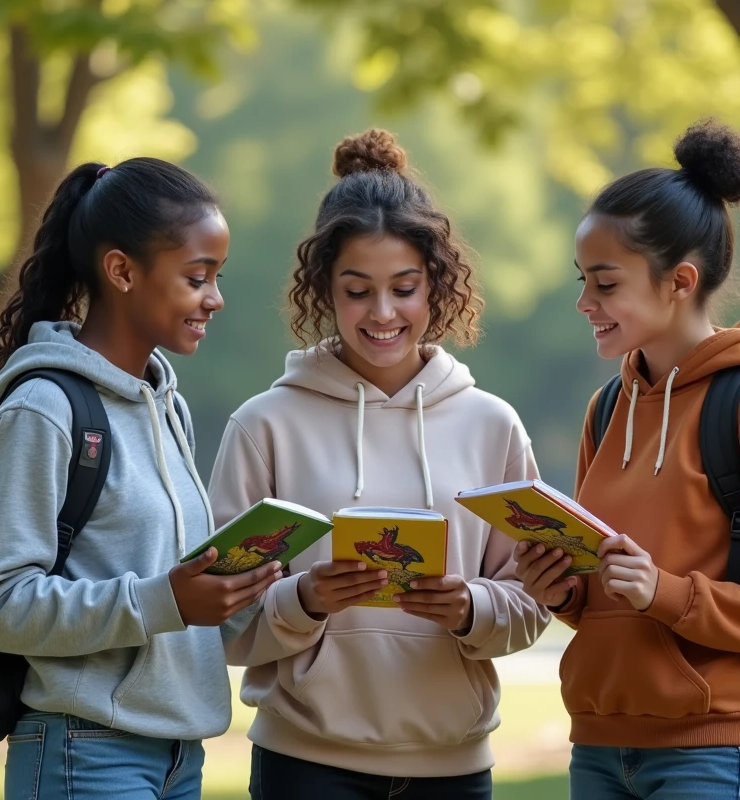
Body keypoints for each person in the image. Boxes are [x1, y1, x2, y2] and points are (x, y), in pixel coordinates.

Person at [208, 129, 549, 800]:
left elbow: (534, 598)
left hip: (453, 771)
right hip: (304, 768)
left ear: (437, 287)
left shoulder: (492, 425)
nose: (383, 313)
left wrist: (469, 607)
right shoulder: (264, 426)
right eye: (358, 290)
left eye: (404, 288)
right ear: (324, 291)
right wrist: (303, 600)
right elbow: (220, 617)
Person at [514, 120, 740, 798]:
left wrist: (665, 591)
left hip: (716, 749)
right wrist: (565, 590)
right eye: (583, 281)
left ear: (680, 281)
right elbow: (615, 597)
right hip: (599, 746)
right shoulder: (607, 411)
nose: (585, 303)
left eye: (605, 284)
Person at [0, 157, 281, 800]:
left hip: (178, 761)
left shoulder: (168, 408)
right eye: (198, 278)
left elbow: (176, 610)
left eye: (217, 277)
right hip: (85, 754)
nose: (215, 299)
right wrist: (164, 598)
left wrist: (275, 590)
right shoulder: (44, 410)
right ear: (122, 271)